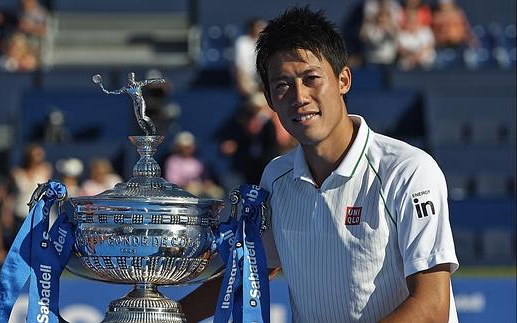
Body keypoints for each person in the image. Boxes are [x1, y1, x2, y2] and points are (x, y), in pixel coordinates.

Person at [181, 6, 459, 323]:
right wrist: (161, 318)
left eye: (311, 78)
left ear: (343, 80)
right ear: (269, 99)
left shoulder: (408, 170)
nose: (299, 96)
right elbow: (252, 274)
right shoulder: (276, 176)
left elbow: (432, 305)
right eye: (282, 85)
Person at [164, 131, 224, 199]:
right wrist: (187, 184)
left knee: (217, 192)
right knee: (193, 189)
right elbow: (172, 181)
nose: (188, 149)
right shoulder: (173, 160)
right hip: (182, 191)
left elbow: (205, 177)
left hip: (200, 188)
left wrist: (207, 183)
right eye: (185, 147)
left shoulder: (197, 161)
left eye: (190, 147)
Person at [10, 143, 52, 230]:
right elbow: (11, 195)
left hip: (38, 216)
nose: (38, 158)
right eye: (36, 155)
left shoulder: (46, 170)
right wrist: (7, 213)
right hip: (20, 214)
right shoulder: (17, 173)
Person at [233, 18, 267, 99]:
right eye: (259, 26)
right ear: (252, 28)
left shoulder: (266, 43)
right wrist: (241, 84)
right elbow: (238, 66)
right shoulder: (242, 42)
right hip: (247, 81)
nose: (261, 29)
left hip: (262, 81)